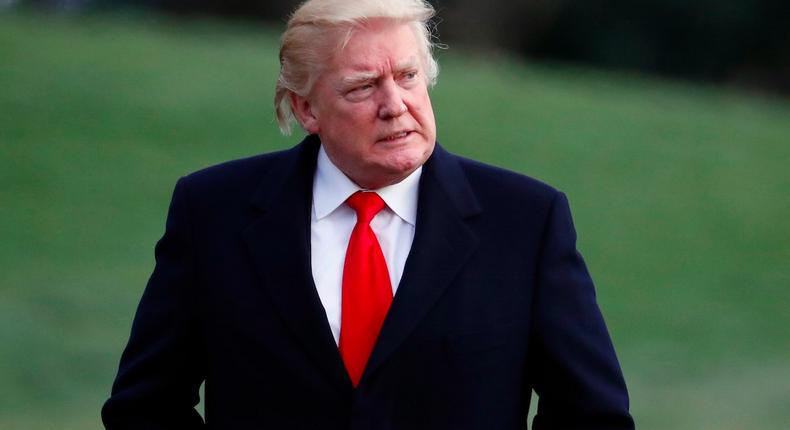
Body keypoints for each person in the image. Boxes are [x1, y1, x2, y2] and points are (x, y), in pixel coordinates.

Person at [102, 0, 635, 428]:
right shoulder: (212, 211)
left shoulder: (526, 220)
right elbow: (144, 406)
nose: (395, 104)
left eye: (407, 76)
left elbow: (593, 415)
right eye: (362, 86)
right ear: (306, 109)